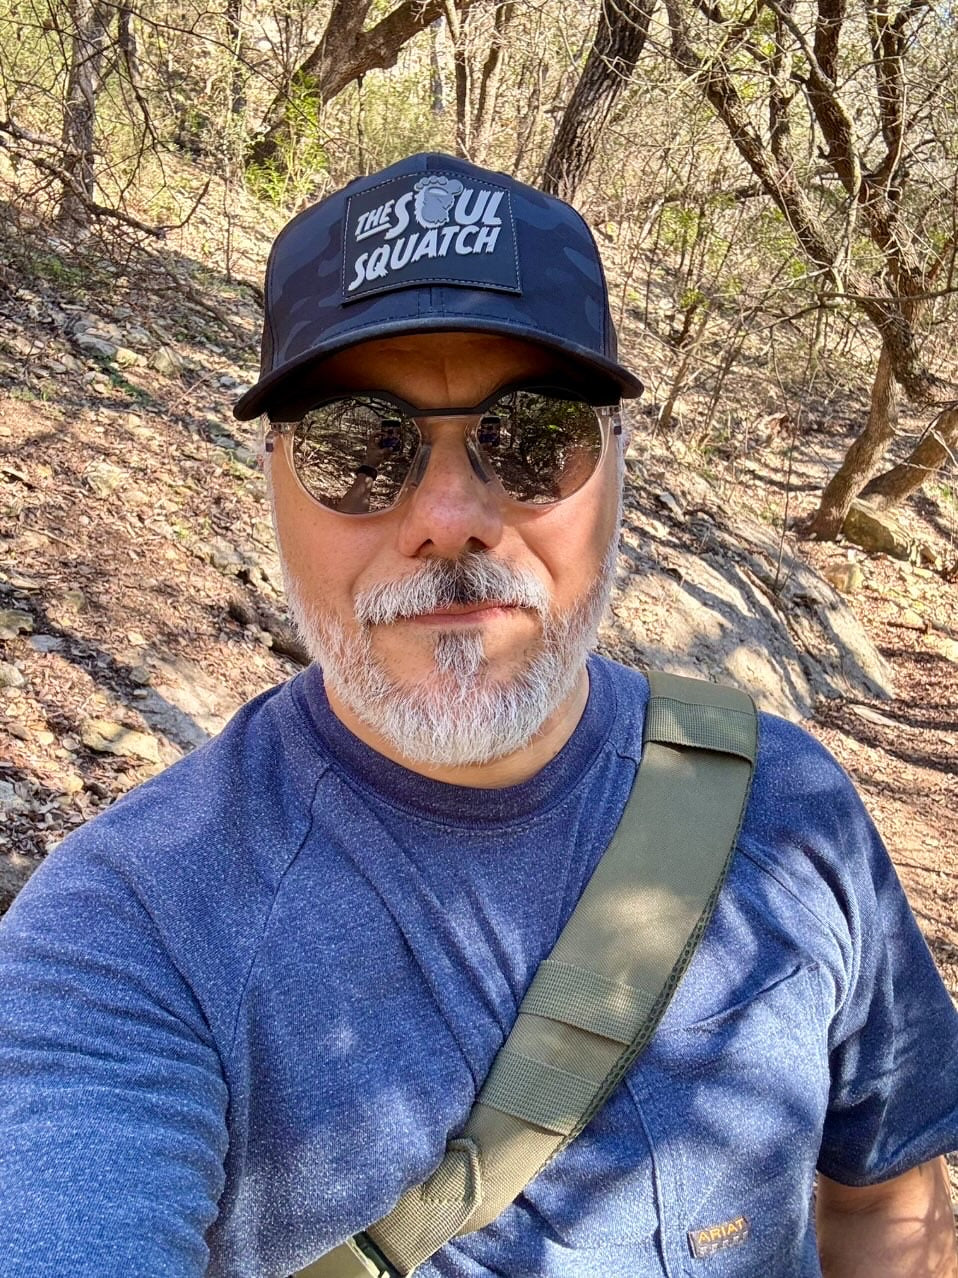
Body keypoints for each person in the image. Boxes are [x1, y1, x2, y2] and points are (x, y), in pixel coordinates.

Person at [0, 152, 955, 1278]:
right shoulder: (133, 930)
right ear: (270, 480)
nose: (450, 519)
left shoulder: (787, 801)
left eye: (533, 435)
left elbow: (888, 1202)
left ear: (617, 470)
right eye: (357, 449)